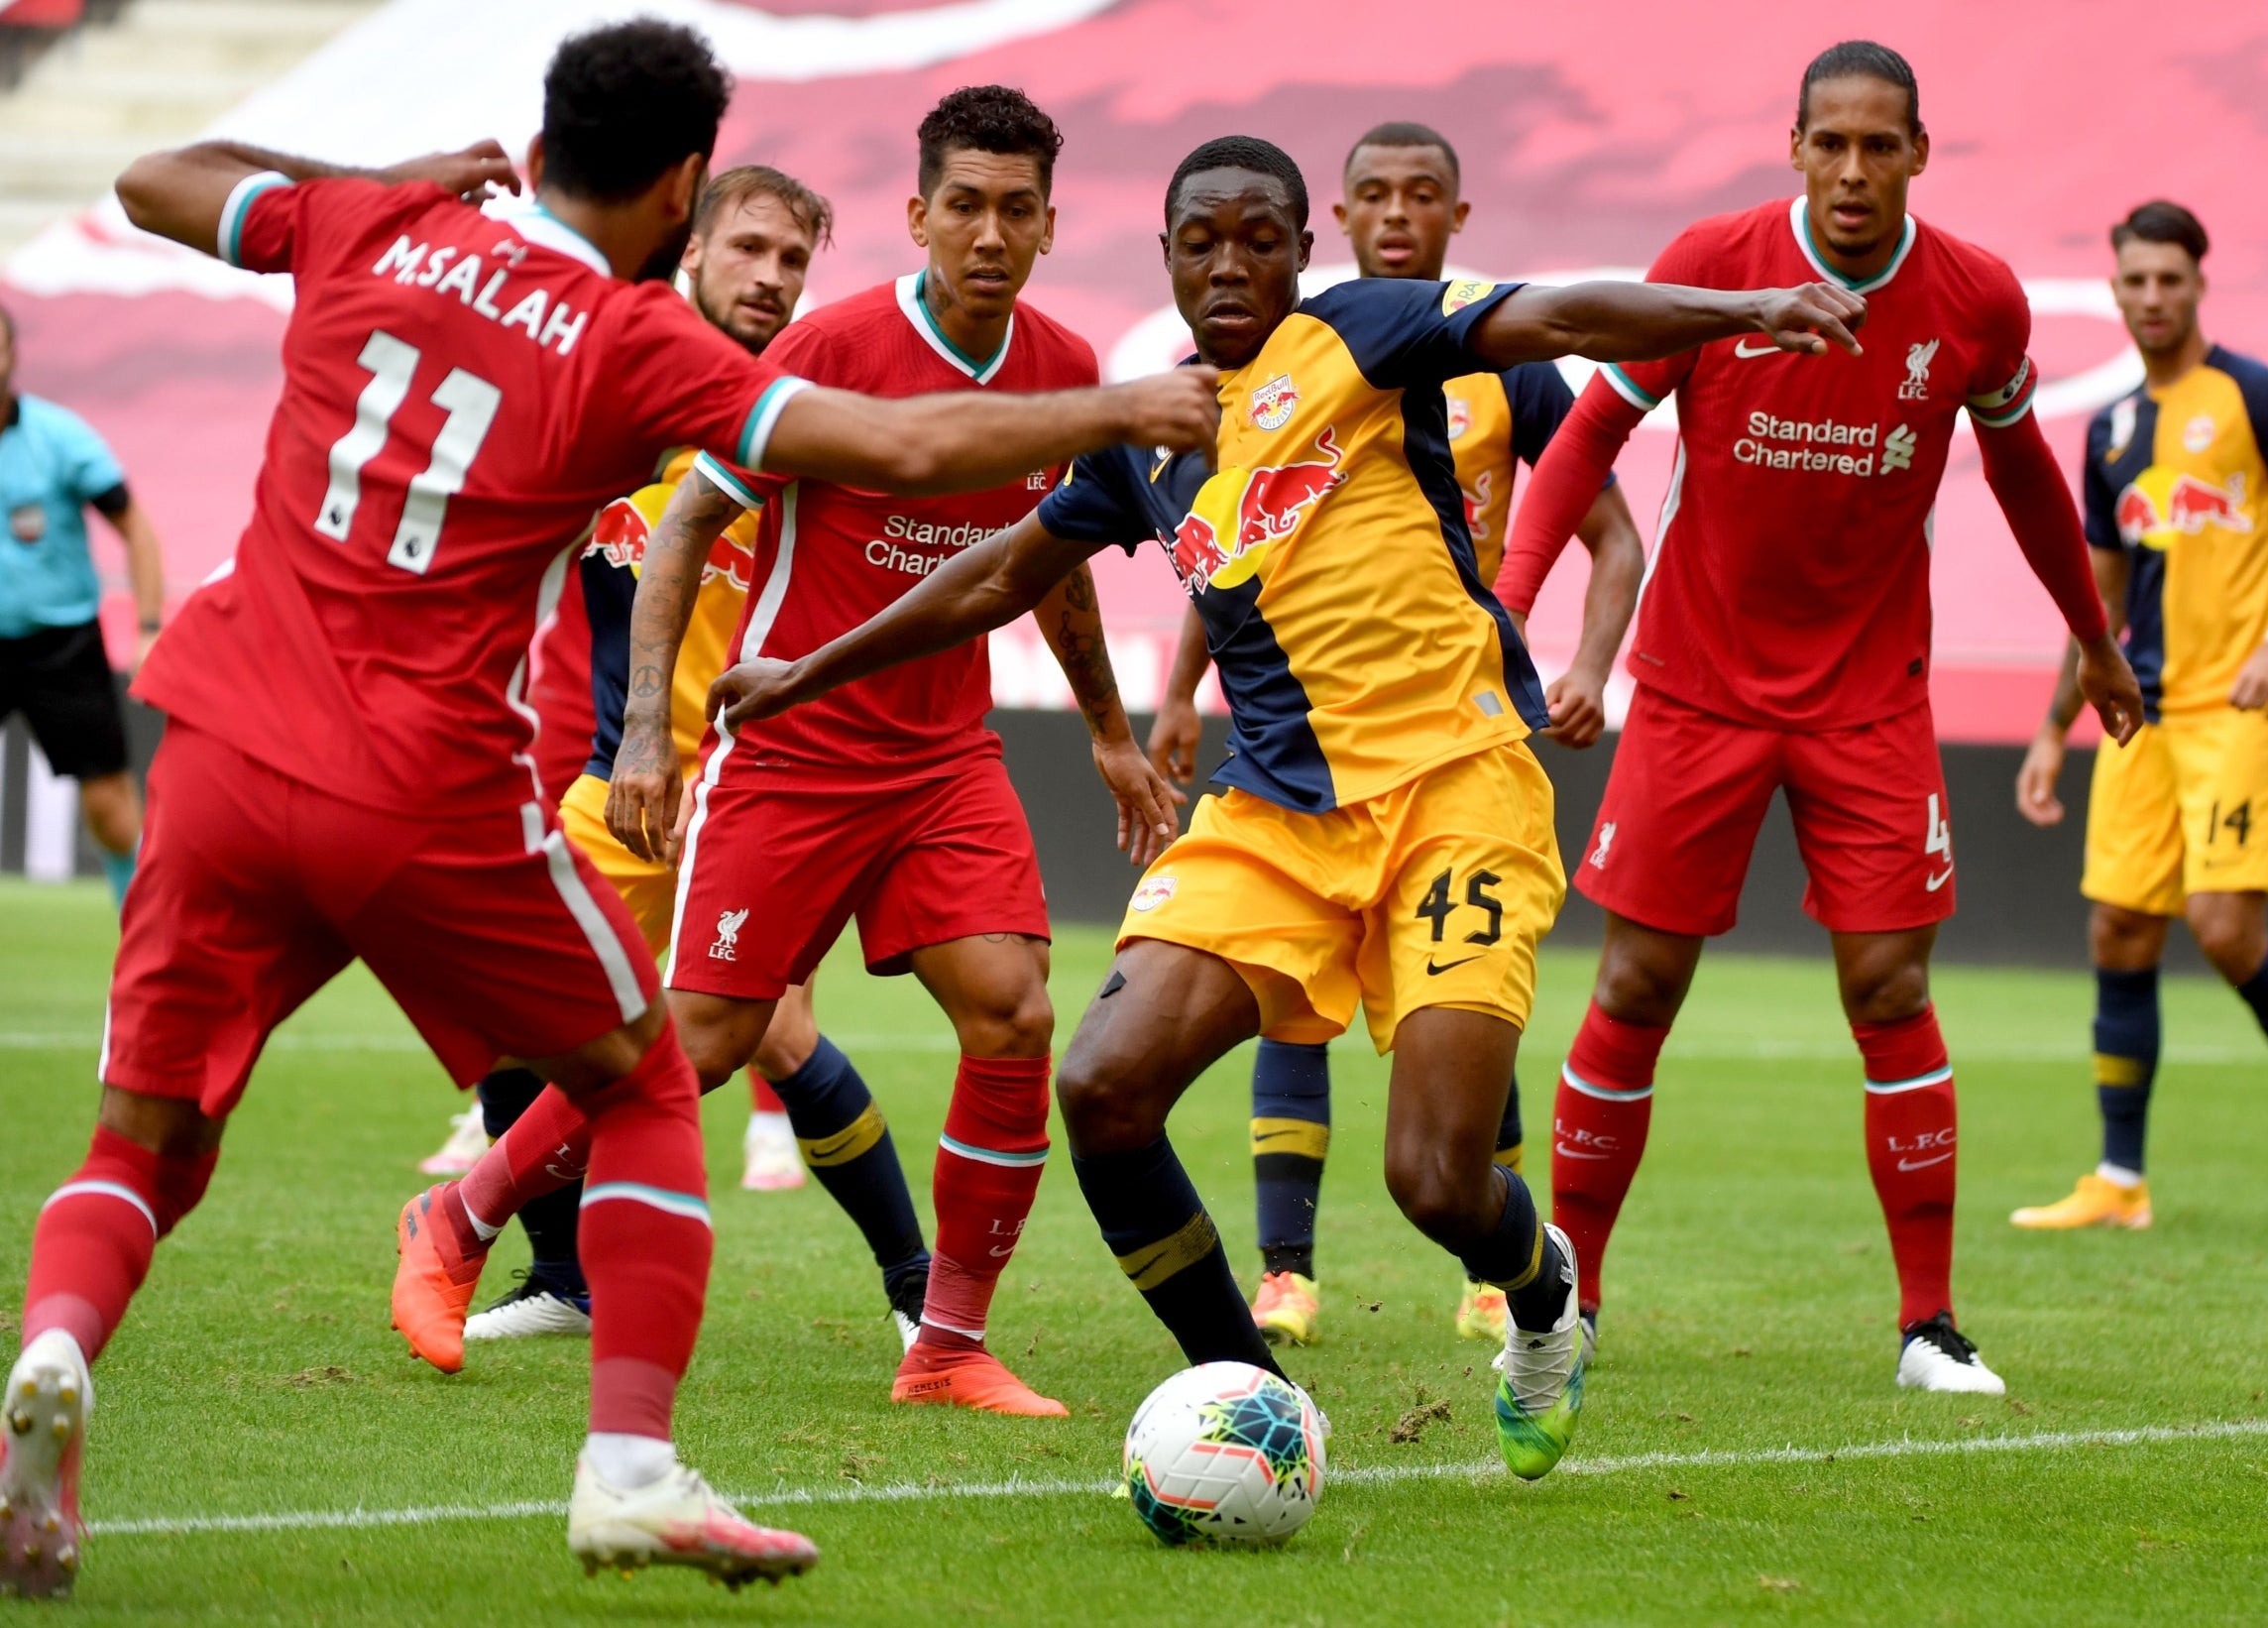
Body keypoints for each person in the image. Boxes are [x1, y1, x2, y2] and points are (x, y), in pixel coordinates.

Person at [0, 18, 1216, 1595]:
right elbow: (900, 443)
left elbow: (154, 176)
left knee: (144, 1133)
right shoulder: (630, 341)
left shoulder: (382, 221)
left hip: (223, 741)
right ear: (684, 186)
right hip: (424, 781)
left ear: (539, 134)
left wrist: (386, 179)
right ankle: (628, 1465)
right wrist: (1117, 415)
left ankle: (54, 1351)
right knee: (653, 1076)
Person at [701, 133, 1867, 1481]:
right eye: (1202, 240)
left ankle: (1539, 1290)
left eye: (1261, 237)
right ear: (1165, 257)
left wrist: (1744, 310)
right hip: (1274, 814)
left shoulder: (1365, 331)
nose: (1231, 263)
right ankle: (1254, 1402)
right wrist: (804, 668)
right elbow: (996, 573)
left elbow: (1556, 309)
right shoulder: (1145, 431)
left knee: (1433, 1180)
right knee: (1102, 1084)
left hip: (1455, 786)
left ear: (1304, 252)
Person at [401, 85, 1166, 1420]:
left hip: (944, 757)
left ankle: (943, 1346)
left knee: (1016, 1010)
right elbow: (687, 528)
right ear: (917, 214)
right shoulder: (830, 347)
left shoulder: (1063, 366)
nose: (990, 232)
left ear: (1051, 223)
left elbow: (1055, 568)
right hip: (794, 752)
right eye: (966, 205)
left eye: (1018, 208)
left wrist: (1107, 731)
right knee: (697, 1041)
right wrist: (648, 730)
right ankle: (458, 1218)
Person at [1496, 41, 2144, 1396]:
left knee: (1889, 987)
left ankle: (1926, 1327)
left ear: (1917, 152)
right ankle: (1572, 1303)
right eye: (1829, 144)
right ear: (1792, 148)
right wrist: (1507, 606)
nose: (1852, 170)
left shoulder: (1972, 299)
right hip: (1695, 689)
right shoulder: (1712, 263)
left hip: (1866, 702)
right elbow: (1582, 440)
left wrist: (2090, 640)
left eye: (1878, 145)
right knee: (1631, 985)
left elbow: (2024, 473)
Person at [1141, 120, 1644, 1349]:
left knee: (1443, 1100)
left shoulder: (1485, 363)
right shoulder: (1233, 388)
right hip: (1302, 742)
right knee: (1264, 1006)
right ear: (1346, 224)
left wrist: (1572, 655)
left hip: (1452, 727)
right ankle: (1286, 1273)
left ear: (1456, 217)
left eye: (1425, 193)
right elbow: (1240, 558)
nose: (1400, 213)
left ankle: (1506, 1267)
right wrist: (1169, 694)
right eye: (1377, 193)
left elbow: (1611, 529)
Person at [446, 164, 934, 1348]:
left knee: (773, 1033)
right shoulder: (616, 396)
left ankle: (924, 1297)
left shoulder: (810, 407)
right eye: (751, 250)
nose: (770, 279)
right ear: (694, 246)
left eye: (792, 262)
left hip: (760, 779)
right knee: (507, 999)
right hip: (628, 772)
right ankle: (566, 1276)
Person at [2009, 200, 2268, 1235]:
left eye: (2171, 278)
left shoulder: (2259, 396)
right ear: (2115, 288)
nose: (2153, 297)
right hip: (2144, 719)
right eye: (2136, 280)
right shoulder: (2112, 429)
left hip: (2242, 708)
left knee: (2221, 926)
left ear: (2199, 283)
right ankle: (2120, 1179)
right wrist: (2052, 730)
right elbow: (2101, 603)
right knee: (2120, 927)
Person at [0, 301, 167, 910]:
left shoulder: (59, 439)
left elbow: (136, 529)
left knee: (109, 809)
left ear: (12, 355)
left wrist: (148, 627)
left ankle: (152, 937)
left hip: (60, 646)